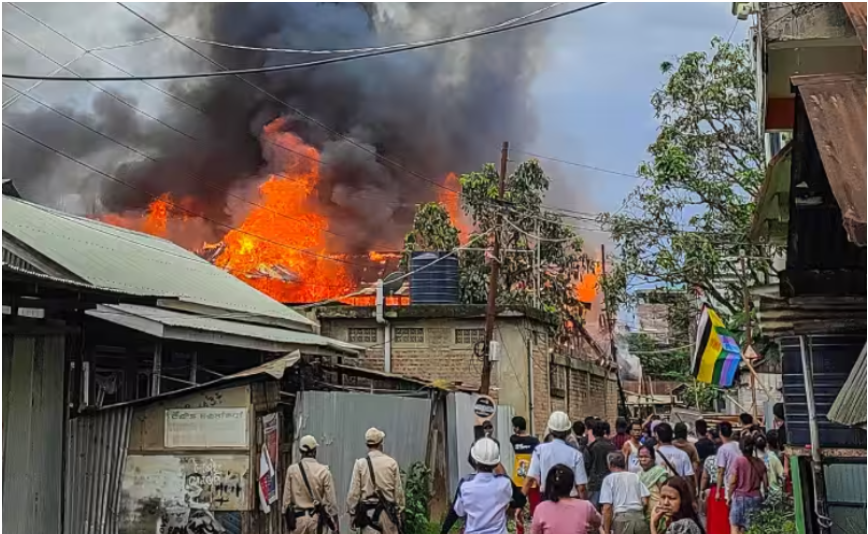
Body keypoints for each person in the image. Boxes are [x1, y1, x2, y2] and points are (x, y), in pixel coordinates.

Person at [452, 438, 516, 534]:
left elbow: (460, 511)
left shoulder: (465, 488)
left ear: (474, 460)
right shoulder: (505, 484)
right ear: (496, 462)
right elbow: (508, 503)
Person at [347, 428, 405, 534]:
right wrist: (399, 514)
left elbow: (354, 494)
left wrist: (352, 515)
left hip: (368, 516)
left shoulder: (360, 464)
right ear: (381, 443)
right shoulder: (391, 463)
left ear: (367, 444)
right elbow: (398, 494)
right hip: (388, 515)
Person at [523, 412, 588, 500]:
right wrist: (584, 504)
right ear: (568, 431)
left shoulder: (539, 451)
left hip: (547, 498)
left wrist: (520, 503)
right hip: (570, 499)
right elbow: (581, 487)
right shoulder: (576, 455)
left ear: (549, 430)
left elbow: (530, 479)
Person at [283, 435, 339, 534]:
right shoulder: (324, 471)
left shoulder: (292, 471)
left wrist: (287, 524)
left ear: (300, 451)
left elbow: (286, 502)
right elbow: (332, 503)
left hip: (297, 521)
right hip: (316, 521)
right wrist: (336, 525)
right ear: (314, 451)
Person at [531, 464, 601, 534]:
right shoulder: (586, 506)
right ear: (571, 485)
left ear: (550, 484)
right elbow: (598, 521)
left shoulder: (541, 508)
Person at [600, 451, 651, 534]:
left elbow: (607, 508)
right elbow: (645, 501)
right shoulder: (635, 476)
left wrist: (607, 531)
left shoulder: (608, 479)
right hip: (640, 519)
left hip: (622, 520)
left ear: (611, 465)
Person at [727, 435, 767, 534]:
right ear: (753, 447)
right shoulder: (760, 463)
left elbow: (733, 482)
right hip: (756, 498)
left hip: (740, 498)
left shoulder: (738, 461)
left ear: (741, 448)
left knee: (735, 526)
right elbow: (766, 484)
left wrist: (728, 497)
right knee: (754, 528)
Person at [653, 423, 696, 498]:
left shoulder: (653, 455)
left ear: (658, 437)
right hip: (678, 495)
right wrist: (692, 499)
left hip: (660, 495)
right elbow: (689, 478)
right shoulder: (683, 454)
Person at [510, 416, 542, 515]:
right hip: (532, 475)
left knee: (519, 505)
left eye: (514, 427)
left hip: (518, 476)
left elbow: (515, 437)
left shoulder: (514, 439)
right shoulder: (534, 441)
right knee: (535, 504)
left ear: (518, 428)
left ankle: (520, 529)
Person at [585, 420, 617, 509]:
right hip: (610, 482)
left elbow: (587, 465)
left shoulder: (590, 447)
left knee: (593, 512)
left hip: (594, 484)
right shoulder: (612, 446)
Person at [699, 436, 729, 534]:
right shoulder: (730, 458)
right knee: (726, 520)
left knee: (714, 519)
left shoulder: (709, 459)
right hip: (728, 490)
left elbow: (704, 477)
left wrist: (701, 490)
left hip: (714, 491)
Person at [638, 445, 668, 519]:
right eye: (640, 457)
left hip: (658, 514)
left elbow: (665, 494)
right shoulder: (638, 475)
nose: (643, 459)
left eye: (646, 457)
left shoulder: (659, 473)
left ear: (653, 458)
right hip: (644, 515)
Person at [715, 422, 740, 505]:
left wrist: (718, 492)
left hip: (731, 487)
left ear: (720, 433)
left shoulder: (722, 449)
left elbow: (720, 472)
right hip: (742, 485)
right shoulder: (737, 445)